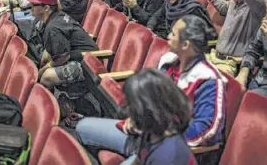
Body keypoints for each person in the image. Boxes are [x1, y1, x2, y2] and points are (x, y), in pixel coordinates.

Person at [75, 15, 226, 163]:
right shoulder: (169, 62)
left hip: (163, 147)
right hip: (142, 135)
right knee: (82, 128)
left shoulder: (209, 80)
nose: (168, 36)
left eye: (173, 34)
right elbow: (151, 102)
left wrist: (157, 131)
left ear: (185, 45)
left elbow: (207, 130)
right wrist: (137, 121)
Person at [199, 0, 265, 76]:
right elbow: (220, 4)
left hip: (230, 65)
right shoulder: (233, 3)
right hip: (214, 57)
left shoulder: (258, 7)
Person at [27, 0, 98, 89]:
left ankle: (56, 102)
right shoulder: (56, 17)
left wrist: (43, 70)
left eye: (34, 4)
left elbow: (61, 57)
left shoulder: (53, 27)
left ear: (46, 8)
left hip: (88, 64)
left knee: (47, 77)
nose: (31, 6)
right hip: (78, 57)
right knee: (44, 58)